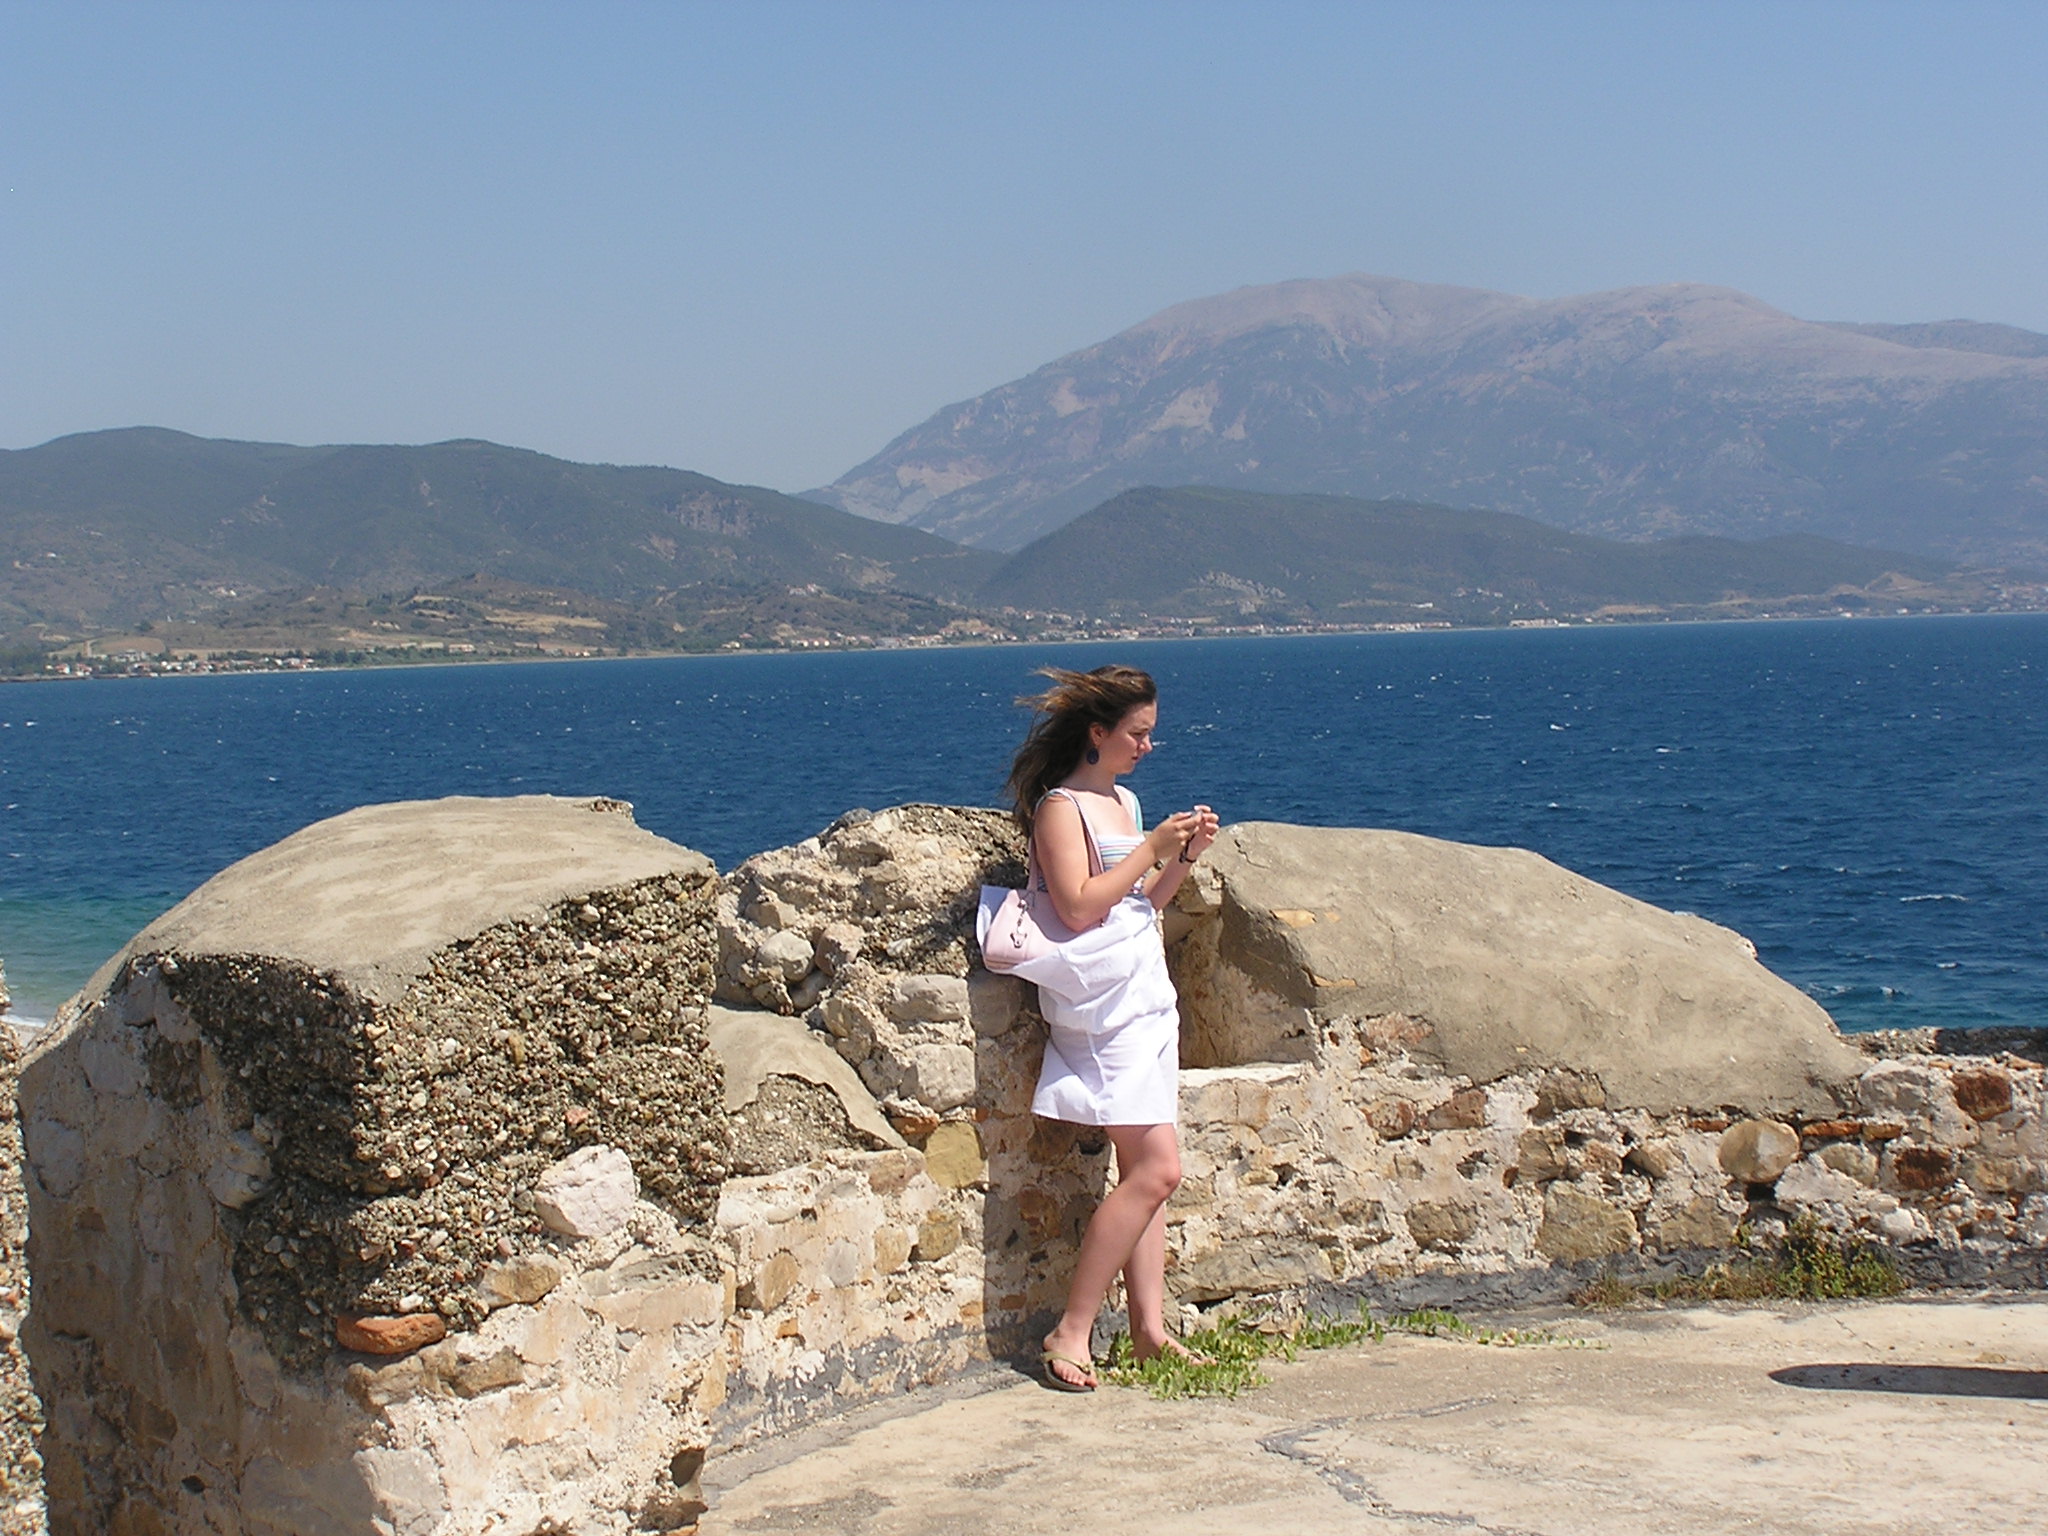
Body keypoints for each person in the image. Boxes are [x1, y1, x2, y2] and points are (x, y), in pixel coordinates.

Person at [1000, 664, 1220, 1392]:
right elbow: (1077, 906)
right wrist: (1152, 848)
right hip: (1102, 1006)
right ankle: (1072, 1329)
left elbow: (1139, 906)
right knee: (1160, 1169)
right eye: (1137, 733)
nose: (1147, 747)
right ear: (1097, 733)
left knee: (1143, 1173)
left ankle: (1149, 1331)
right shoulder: (1061, 808)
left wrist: (1181, 858)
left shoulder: (1124, 800)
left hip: (1144, 992)